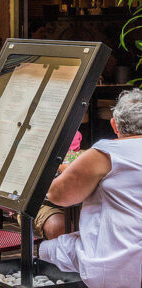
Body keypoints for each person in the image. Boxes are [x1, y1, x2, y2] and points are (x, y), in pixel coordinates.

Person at [39, 89, 142, 288]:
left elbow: (59, 195)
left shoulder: (105, 153)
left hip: (115, 260)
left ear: (114, 125)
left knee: (45, 250)